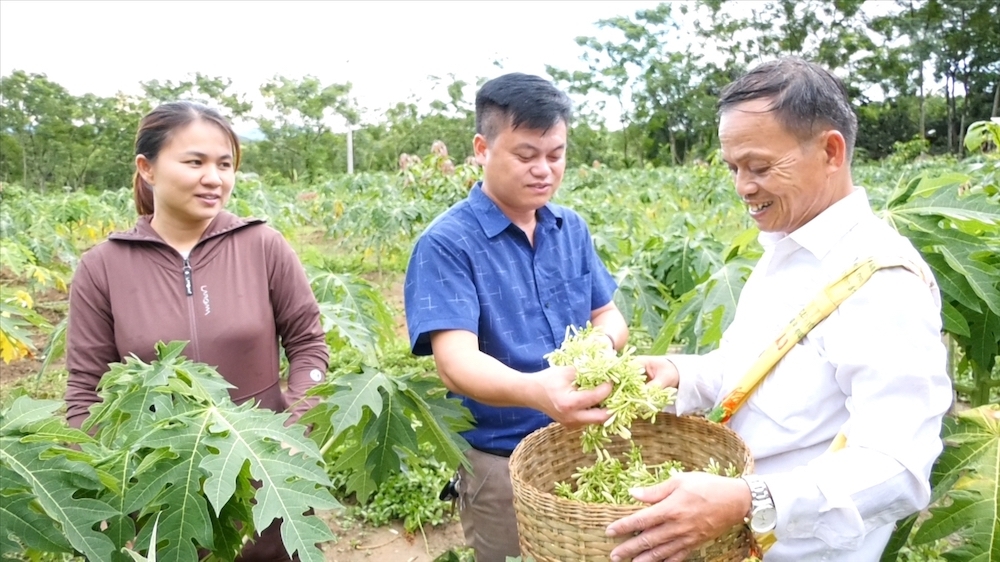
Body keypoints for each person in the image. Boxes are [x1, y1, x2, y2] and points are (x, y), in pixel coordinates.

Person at [604, 57, 953, 562]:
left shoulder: (884, 282)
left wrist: (752, 499)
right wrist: (682, 374)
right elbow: (760, 367)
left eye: (760, 167)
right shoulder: (786, 248)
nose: (743, 186)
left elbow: (897, 464)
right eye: (733, 168)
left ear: (831, 151)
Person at [65, 101, 329, 562]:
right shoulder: (102, 267)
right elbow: (85, 390)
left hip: (265, 474)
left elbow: (308, 343)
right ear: (147, 169)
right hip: (165, 490)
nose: (215, 178)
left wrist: (296, 422)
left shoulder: (262, 245)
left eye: (225, 164)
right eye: (195, 162)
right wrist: (101, 479)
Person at [404, 72, 628, 561]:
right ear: (482, 149)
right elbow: (455, 363)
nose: (544, 170)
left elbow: (608, 314)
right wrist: (539, 390)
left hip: (582, 448)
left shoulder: (571, 228)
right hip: (499, 461)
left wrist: (600, 348)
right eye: (526, 156)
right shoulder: (446, 244)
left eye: (556, 155)